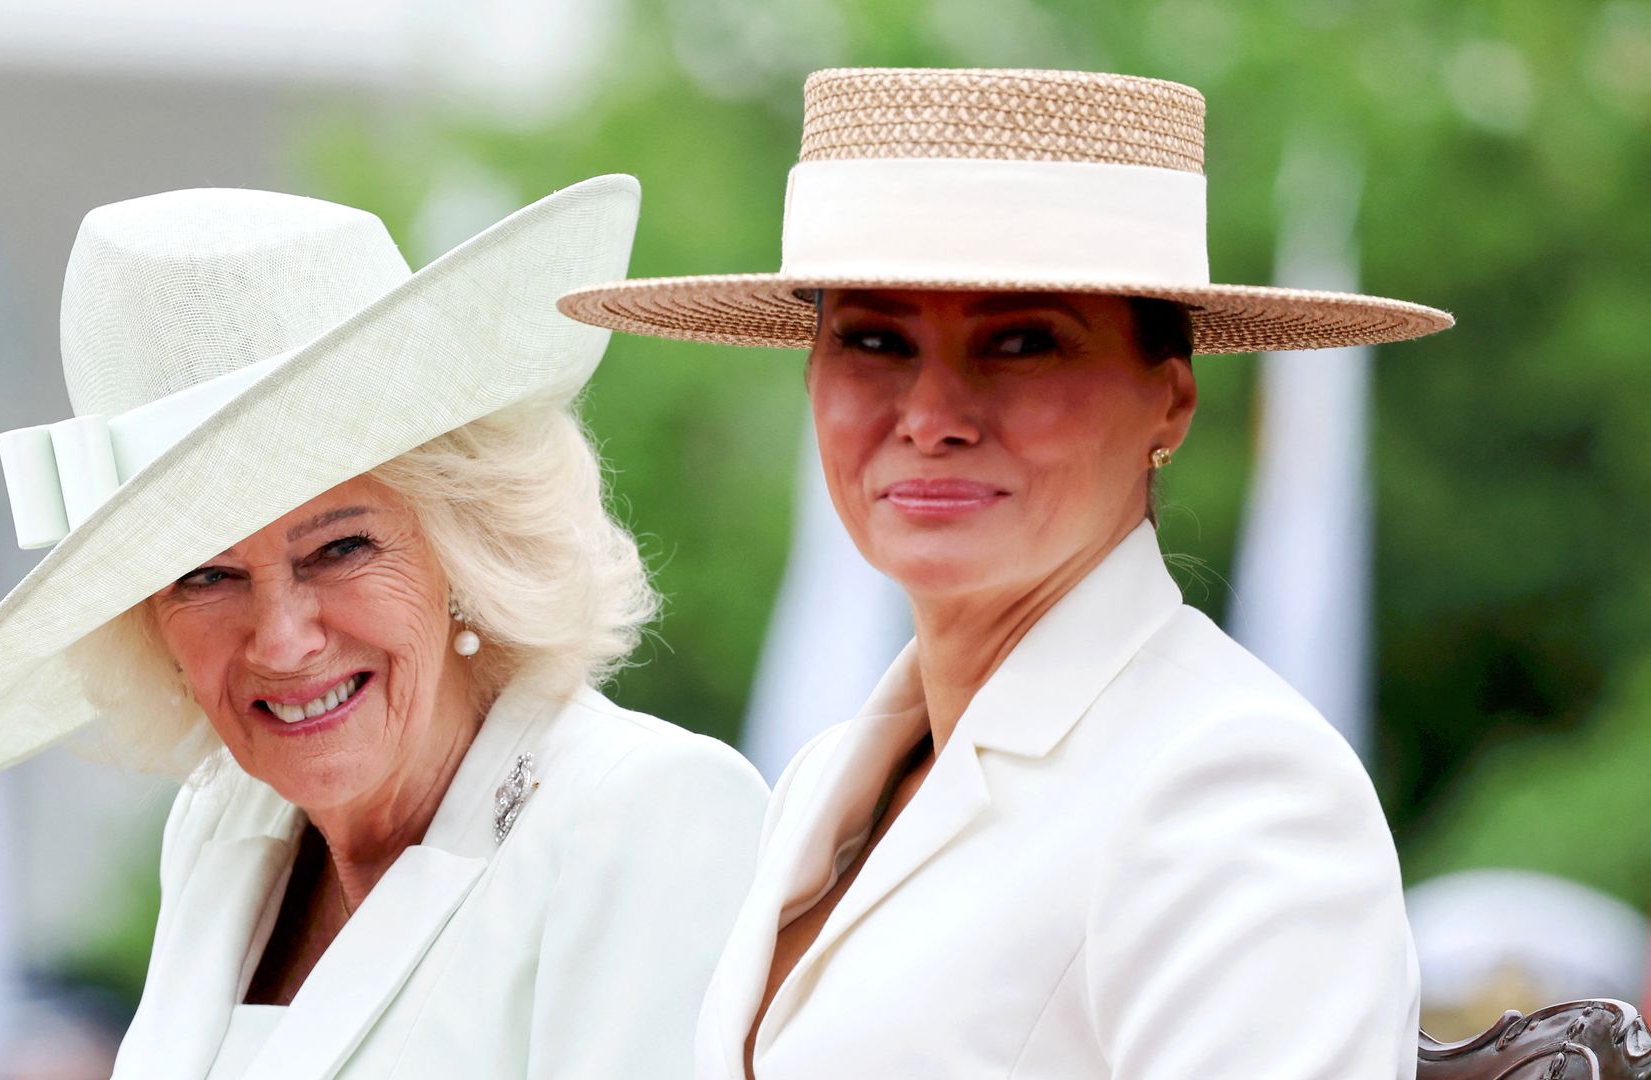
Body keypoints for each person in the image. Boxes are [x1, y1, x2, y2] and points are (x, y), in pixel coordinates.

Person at [559, 68, 1453, 1078]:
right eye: (874, 340)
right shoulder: (825, 779)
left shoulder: (1237, 784)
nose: (932, 415)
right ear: (811, 376)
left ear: (1169, 399)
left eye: (1023, 342)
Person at [0, 176, 767, 1079]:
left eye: (339, 549)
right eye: (207, 576)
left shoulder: (646, 812)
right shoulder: (222, 822)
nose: (281, 641)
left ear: (464, 540)